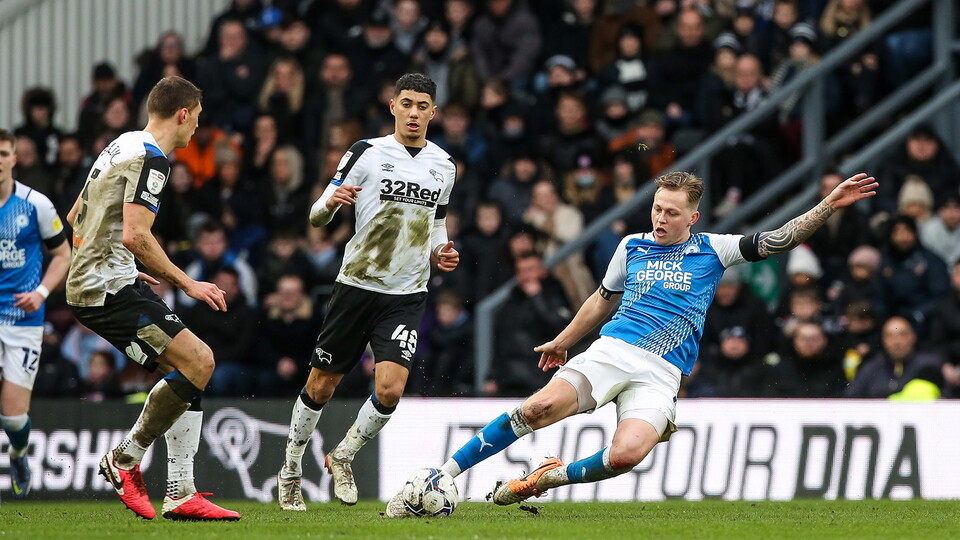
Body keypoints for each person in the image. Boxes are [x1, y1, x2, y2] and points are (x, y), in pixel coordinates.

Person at [385, 170, 878, 515]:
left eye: (671, 212)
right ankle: (443, 473)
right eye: (656, 208)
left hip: (662, 372)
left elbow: (779, 240)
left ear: (693, 217)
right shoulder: (631, 246)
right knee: (536, 410)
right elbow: (602, 299)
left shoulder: (713, 250)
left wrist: (827, 205)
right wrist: (563, 341)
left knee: (626, 457)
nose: (660, 218)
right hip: (611, 351)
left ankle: (546, 478)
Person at [276, 73, 459, 511]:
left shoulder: (444, 165)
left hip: (407, 293)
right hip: (356, 286)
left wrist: (441, 250)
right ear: (393, 106)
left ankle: (343, 455)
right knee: (321, 386)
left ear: (434, 112)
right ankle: (290, 471)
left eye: (423, 106)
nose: (414, 113)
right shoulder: (366, 152)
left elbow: (437, 222)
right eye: (407, 104)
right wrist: (331, 202)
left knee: (392, 389)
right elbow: (317, 217)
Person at [64, 76, 239, 521]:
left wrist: (115, 259)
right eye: (196, 119)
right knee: (200, 361)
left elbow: (76, 216)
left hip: (105, 279)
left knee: (188, 371)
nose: (196, 129)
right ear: (182, 114)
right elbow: (138, 236)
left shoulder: (121, 144)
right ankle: (124, 460)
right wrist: (189, 283)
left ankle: (181, 493)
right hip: (105, 290)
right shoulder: (154, 160)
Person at [0, 129, 71, 500]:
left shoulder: (36, 205)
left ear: (14, 159)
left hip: (24, 321)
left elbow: (63, 255)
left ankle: (18, 453)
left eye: (3, 153)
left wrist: (42, 292)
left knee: (12, 417)